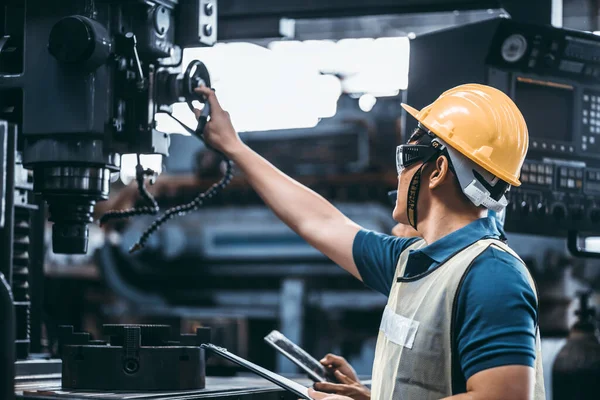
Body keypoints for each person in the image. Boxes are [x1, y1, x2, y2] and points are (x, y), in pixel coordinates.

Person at [193, 83, 545, 400]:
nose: (400, 172)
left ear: (437, 171)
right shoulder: (412, 260)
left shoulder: (491, 275)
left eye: (407, 157)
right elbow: (319, 221)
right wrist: (233, 146)